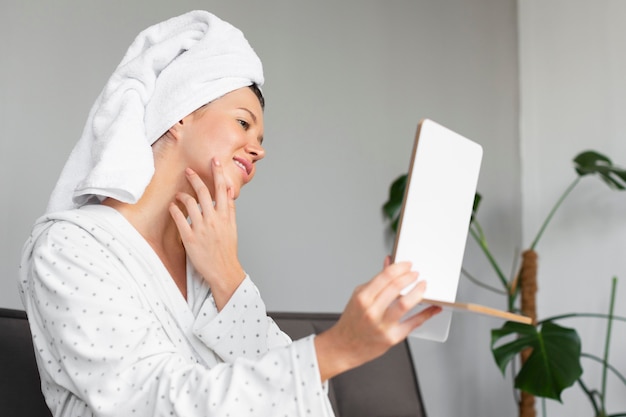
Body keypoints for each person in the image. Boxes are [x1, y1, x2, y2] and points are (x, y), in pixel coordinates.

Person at [18, 10, 441, 417]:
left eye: (260, 136)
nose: (259, 148)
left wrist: (228, 277)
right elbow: (148, 403)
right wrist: (336, 348)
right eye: (243, 123)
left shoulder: (206, 257)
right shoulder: (69, 248)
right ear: (180, 113)